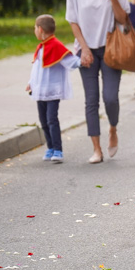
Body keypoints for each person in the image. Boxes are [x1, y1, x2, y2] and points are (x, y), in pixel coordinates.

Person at [66, 0, 130, 164]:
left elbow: (124, 20)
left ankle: (113, 128)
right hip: (85, 50)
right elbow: (73, 21)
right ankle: (96, 149)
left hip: (111, 48)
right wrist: (83, 48)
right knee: (91, 100)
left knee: (110, 97)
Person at [26, 14, 80, 163]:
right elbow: (36, 68)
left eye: (35, 28)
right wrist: (31, 82)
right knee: (43, 121)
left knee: (51, 120)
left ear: (40, 29)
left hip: (52, 91)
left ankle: (58, 149)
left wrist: (82, 60)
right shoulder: (41, 46)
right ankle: (50, 147)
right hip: (40, 91)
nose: (34, 31)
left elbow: (70, 61)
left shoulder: (56, 46)